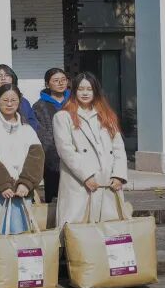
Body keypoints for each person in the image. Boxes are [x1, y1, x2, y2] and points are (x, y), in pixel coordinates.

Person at [53, 72, 128, 224]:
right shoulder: (63, 116)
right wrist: (86, 176)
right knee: (78, 230)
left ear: (96, 91)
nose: (85, 93)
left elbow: (118, 148)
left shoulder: (107, 116)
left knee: (109, 228)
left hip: (107, 182)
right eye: (81, 89)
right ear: (74, 91)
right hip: (80, 182)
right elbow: (65, 150)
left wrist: (119, 175)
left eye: (89, 89)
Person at [0, 84, 45, 234]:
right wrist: (2, 184)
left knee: (22, 238)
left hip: (22, 192)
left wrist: (26, 183)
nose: (9, 104)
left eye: (13, 100)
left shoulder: (27, 129)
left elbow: (36, 158)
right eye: (5, 100)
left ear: (19, 102)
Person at [33, 67, 70, 202]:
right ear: (47, 84)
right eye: (56, 80)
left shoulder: (74, 102)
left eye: (63, 80)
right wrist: (52, 150)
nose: (60, 83)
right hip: (52, 158)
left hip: (76, 155)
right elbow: (41, 132)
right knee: (54, 197)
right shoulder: (39, 106)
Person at [0, 64, 39, 128]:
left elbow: (33, 123)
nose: (3, 78)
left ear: (13, 78)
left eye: (7, 75)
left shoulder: (24, 101)